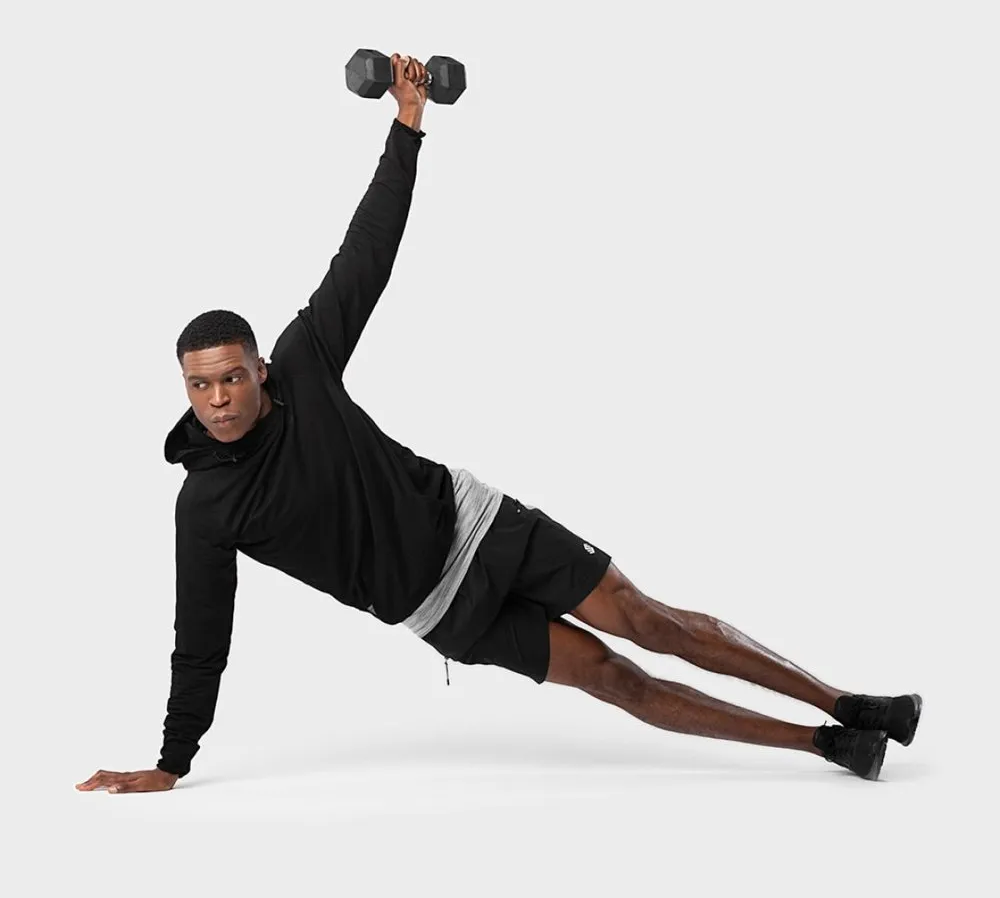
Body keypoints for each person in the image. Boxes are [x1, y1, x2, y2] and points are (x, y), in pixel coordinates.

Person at [75, 53, 921, 795]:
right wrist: (172, 760)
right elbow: (201, 637)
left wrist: (408, 124)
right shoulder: (206, 508)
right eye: (200, 386)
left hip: (480, 526)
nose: (219, 398)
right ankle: (826, 744)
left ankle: (847, 702)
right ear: (185, 390)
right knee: (613, 679)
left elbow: (365, 255)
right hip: (445, 611)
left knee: (646, 620)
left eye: (231, 377)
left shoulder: (305, 366)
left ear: (259, 369)